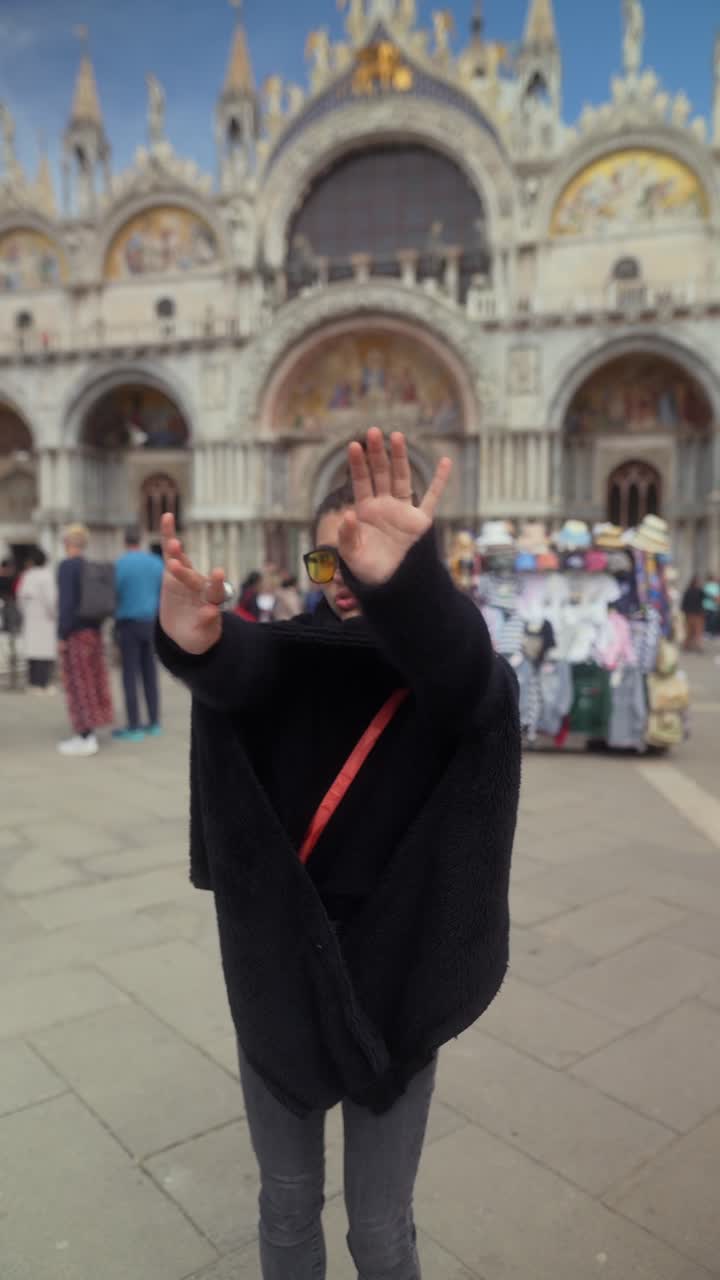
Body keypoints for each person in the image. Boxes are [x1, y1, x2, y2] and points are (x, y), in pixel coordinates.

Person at [156, 429, 520, 1280]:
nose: (342, 580)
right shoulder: (292, 656)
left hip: (397, 974)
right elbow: (246, 669)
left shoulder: (445, 674)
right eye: (325, 563)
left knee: (379, 1226)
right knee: (284, 1201)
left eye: (362, 559)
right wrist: (196, 642)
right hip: (281, 965)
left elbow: (467, 672)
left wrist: (414, 590)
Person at [57, 524, 114, 757]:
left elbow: (67, 604)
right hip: (94, 632)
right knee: (92, 680)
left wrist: (61, 635)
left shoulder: (67, 566)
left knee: (78, 683)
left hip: (76, 634)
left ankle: (85, 735)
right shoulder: (90, 566)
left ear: (67, 543)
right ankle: (88, 732)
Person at [114, 528, 164, 740]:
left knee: (129, 675)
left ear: (125, 542)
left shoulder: (120, 564)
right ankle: (153, 722)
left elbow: (114, 594)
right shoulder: (156, 563)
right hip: (151, 622)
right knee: (150, 673)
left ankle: (134, 726)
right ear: (141, 540)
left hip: (128, 623)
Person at [16, 548, 57, 692]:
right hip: (45, 618)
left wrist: (25, 613)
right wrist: (54, 614)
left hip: (31, 618)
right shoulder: (47, 576)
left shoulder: (27, 575)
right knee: (44, 653)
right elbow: (51, 599)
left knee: (33, 653)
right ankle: (43, 684)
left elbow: (20, 598)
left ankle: (33, 683)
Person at [682, 574, 705, 653]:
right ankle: (698, 646)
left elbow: (683, 604)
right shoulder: (699, 591)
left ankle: (687, 646)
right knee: (698, 631)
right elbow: (707, 597)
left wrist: (684, 612)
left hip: (689, 614)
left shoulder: (688, 591)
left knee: (689, 631)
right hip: (697, 614)